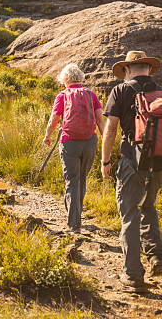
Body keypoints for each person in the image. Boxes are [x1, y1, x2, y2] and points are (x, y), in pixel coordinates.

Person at [100, 50, 162, 293]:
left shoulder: (120, 90)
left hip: (132, 160)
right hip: (160, 163)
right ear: (148, 69)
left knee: (129, 214)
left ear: (126, 70)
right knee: (147, 207)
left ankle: (133, 274)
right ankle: (157, 258)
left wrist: (105, 162)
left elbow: (111, 129)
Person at [43, 64, 105, 234]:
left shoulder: (62, 95)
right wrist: (105, 139)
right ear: (80, 78)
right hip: (89, 142)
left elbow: (54, 119)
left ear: (65, 79)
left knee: (72, 180)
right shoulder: (91, 95)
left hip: (69, 142)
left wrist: (47, 136)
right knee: (81, 179)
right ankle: (76, 214)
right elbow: (100, 120)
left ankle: (74, 224)